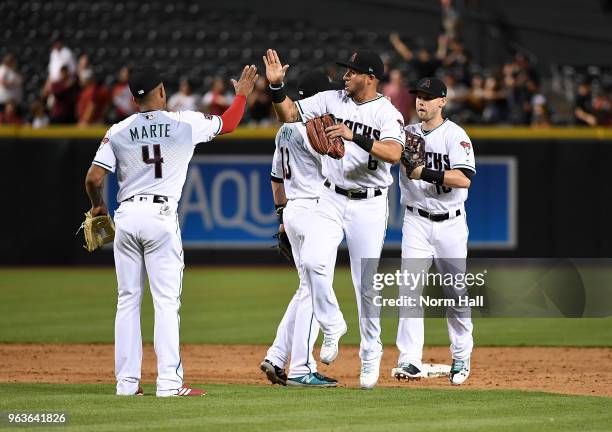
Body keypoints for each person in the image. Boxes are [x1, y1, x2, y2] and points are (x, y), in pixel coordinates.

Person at [84, 64, 258, 397]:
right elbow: (230, 122)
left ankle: (126, 384)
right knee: (165, 302)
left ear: (134, 101)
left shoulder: (118, 130)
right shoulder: (184, 121)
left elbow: (93, 178)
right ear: (162, 92)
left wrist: (98, 206)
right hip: (160, 216)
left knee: (127, 301)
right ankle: (168, 383)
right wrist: (242, 94)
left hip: (127, 215)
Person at [263, 49, 406, 389]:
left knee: (366, 284)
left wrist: (354, 135)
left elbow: (395, 153)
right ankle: (332, 323)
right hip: (330, 195)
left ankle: (370, 352)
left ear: (370, 78)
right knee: (312, 263)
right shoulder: (331, 99)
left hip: (369, 205)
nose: (346, 76)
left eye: (353, 71)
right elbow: (289, 113)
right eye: (345, 70)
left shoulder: (387, 112)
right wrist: (276, 87)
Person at [260, 70, 342, 388]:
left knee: (305, 287)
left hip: (293, 209)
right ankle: (301, 368)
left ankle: (277, 356)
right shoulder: (316, 128)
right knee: (314, 290)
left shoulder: (284, 130)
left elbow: (276, 178)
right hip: (315, 210)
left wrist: (282, 216)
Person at [392, 77, 475, 386]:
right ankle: (410, 359)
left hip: (451, 223)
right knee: (409, 289)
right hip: (415, 220)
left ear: (442, 101)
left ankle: (461, 355)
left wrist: (422, 171)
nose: (421, 101)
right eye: (418, 96)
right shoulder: (405, 134)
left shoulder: (455, 135)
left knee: (454, 291)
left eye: (428, 97)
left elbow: (464, 178)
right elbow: (383, 152)